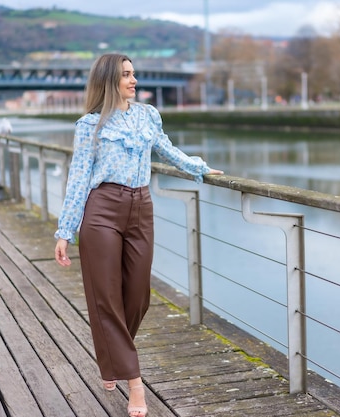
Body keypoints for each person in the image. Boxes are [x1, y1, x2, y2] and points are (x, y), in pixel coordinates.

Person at [54, 53, 223, 417]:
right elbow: (79, 178)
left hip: (141, 208)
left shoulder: (148, 116)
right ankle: (135, 386)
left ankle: (111, 359)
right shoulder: (89, 125)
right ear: (108, 80)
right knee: (106, 300)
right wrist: (65, 230)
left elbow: (166, 150)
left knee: (138, 296)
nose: (133, 80)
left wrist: (199, 168)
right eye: (126, 75)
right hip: (102, 211)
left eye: (133, 74)